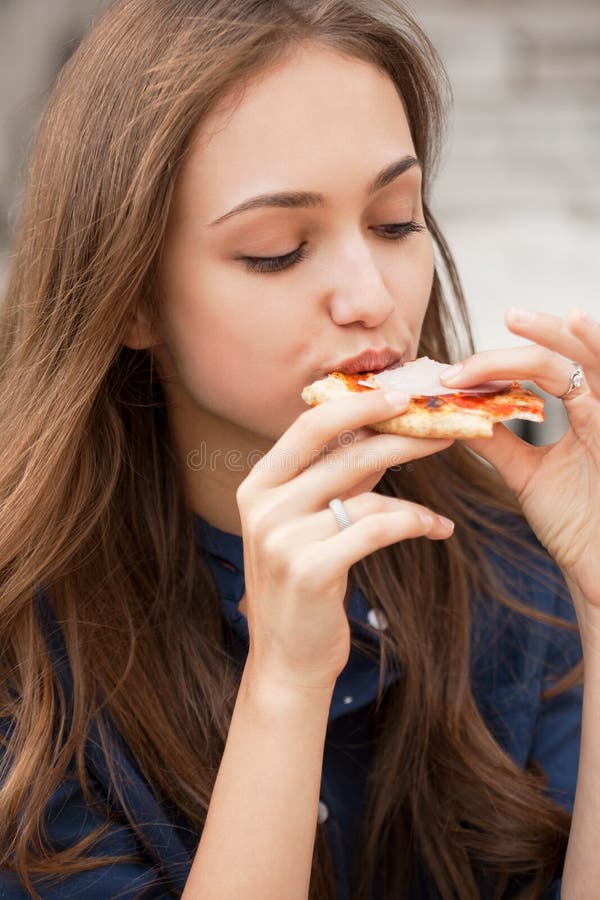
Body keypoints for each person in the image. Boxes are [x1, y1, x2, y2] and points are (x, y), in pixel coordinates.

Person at [0, 0, 598, 897]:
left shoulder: (519, 569)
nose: (370, 296)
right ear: (128, 297)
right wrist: (283, 686)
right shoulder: (30, 651)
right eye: (278, 251)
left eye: (397, 222)